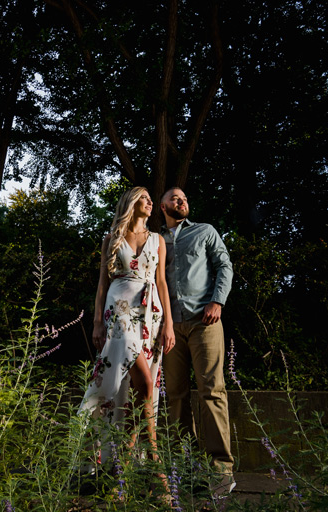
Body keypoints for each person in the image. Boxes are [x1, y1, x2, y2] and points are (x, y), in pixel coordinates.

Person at [80, 187, 175, 469]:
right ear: (132, 203)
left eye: (150, 198)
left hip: (150, 314)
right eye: (145, 198)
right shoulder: (112, 239)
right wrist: (97, 321)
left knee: (141, 387)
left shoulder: (157, 240)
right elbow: (102, 283)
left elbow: (161, 283)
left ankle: (123, 458)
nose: (150, 203)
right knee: (143, 382)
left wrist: (168, 323)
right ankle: (153, 461)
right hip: (119, 311)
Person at [159, 187, 235, 496]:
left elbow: (224, 266)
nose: (182, 201)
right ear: (162, 205)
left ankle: (221, 470)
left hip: (205, 323)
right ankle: (187, 468)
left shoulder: (205, 231)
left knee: (211, 392)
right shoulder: (156, 240)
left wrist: (217, 301)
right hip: (170, 328)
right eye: (175, 198)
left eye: (185, 198)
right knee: (175, 396)